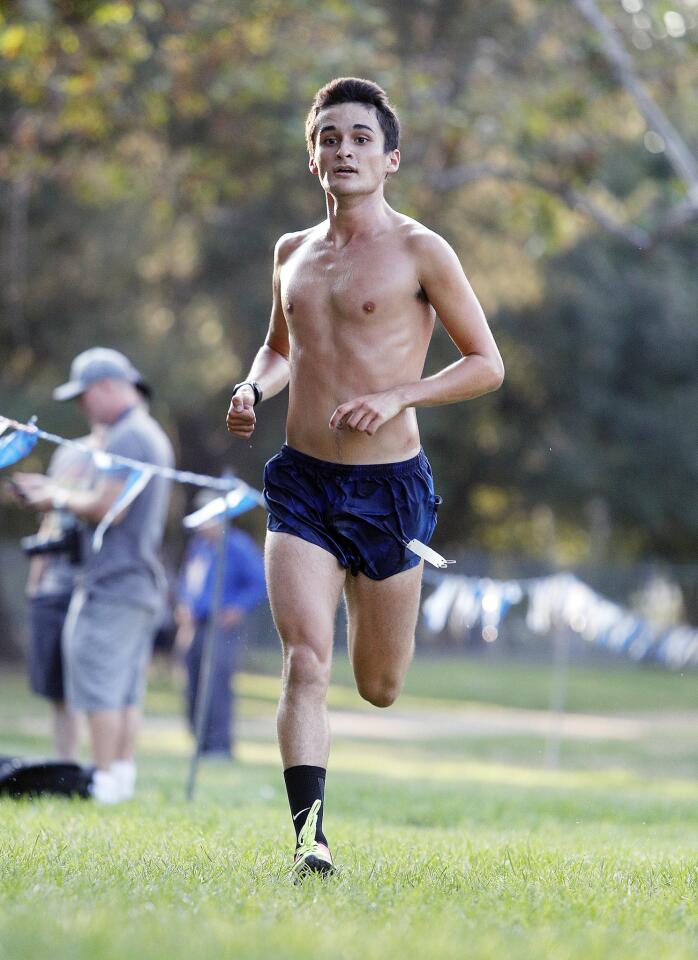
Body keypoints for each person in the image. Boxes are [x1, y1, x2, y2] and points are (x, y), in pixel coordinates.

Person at [226, 77, 504, 875]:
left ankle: (371, 645)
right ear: (312, 157)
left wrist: (399, 395)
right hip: (303, 485)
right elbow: (281, 350)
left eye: (358, 138)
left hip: (391, 492)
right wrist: (252, 388)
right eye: (328, 138)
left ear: (390, 157)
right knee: (304, 658)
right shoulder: (290, 252)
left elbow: (487, 364)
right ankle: (310, 839)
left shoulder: (423, 249)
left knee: (378, 684)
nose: (342, 150)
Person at [14, 348, 174, 804]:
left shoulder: (127, 435)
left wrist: (56, 496)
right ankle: (118, 777)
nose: (82, 407)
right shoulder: (146, 432)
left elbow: (107, 506)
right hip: (136, 583)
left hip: (114, 583)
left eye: (84, 396)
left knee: (101, 685)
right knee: (124, 689)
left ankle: (104, 781)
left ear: (106, 387)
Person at [20, 424, 104, 760]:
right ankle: (65, 761)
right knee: (57, 688)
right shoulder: (66, 451)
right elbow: (51, 520)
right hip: (52, 589)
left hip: (91, 584)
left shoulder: (117, 452)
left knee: (88, 684)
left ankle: (102, 765)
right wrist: (35, 581)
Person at [176, 504, 266, 759]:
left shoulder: (237, 545)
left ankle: (219, 746)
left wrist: (238, 607)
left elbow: (258, 581)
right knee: (192, 680)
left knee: (215, 683)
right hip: (195, 624)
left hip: (221, 625)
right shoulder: (200, 547)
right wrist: (183, 605)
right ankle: (199, 742)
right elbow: (187, 581)